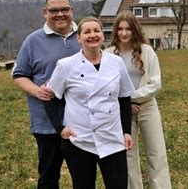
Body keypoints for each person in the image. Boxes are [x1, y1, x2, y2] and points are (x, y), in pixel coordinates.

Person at [45, 17, 135, 189]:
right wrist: (60, 129)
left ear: (103, 34)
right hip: (80, 139)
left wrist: (126, 131)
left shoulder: (116, 62)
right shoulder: (66, 66)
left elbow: (124, 99)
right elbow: (50, 98)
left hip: (112, 137)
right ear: (78, 38)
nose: (92, 35)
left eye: (97, 31)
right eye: (87, 32)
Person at [12, 0, 80, 189]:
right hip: (46, 123)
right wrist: (37, 91)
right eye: (54, 10)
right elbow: (19, 75)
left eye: (65, 9)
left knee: (83, 177)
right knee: (49, 177)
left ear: (72, 10)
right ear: (45, 12)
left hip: (80, 121)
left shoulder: (84, 36)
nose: (60, 14)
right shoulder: (33, 41)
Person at [106, 10, 171, 189]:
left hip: (147, 108)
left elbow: (155, 84)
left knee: (156, 153)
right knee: (128, 156)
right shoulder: (109, 54)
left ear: (135, 30)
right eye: (120, 29)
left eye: (128, 29)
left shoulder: (147, 51)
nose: (124, 33)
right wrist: (125, 104)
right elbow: (107, 86)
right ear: (115, 31)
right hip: (122, 112)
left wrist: (130, 98)